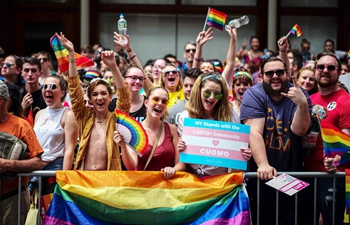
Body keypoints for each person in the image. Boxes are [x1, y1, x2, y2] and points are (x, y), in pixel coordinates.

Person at [240, 37, 312, 225]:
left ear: (287, 74)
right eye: (269, 73)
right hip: (261, 175)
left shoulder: (299, 92)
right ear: (261, 76)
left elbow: (300, 130)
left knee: (292, 219)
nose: (275, 76)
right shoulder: (253, 93)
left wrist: (302, 104)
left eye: (280, 72)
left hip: (292, 174)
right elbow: (253, 131)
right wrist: (263, 164)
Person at [55, 32, 130, 171]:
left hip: (108, 181)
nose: (99, 97)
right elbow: (74, 89)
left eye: (103, 94)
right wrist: (71, 54)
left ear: (110, 97)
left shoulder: (116, 120)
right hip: (85, 179)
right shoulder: (84, 117)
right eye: (95, 94)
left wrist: (113, 67)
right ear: (90, 99)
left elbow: (125, 97)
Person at [303, 51, 350, 225]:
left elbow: (347, 142)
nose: (325, 70)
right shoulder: (310, 99)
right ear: (315, 70)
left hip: (332, 177)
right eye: (321, 67)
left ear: (338, 72)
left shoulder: (346, 101)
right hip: (306, 174)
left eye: (331, 67)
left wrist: (336, 161)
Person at [176, 72, 251, 177]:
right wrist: (180, 147)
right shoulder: (185, 117)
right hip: (192, 180)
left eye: (217, 94)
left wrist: (244, 154)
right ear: (198, 92)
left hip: (220, 181)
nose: (211, 97)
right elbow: (182, 155)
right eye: (207, 93)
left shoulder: (230, 115)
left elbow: (236, 151)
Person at [114, 86, 186, 179]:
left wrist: (173, 169)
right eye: (156, 99)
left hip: (166, 188)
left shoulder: (172, 129)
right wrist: (123, 147)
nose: (160, 104)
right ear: (146, 102)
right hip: (142, 187)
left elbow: (181, 163)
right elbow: (131, 166)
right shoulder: (134, 130)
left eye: (164, 101)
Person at [0, 80, 43, 225]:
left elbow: (38, 162)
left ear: (0, 101)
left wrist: (9, 164)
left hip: (11, 198)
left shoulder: (21, 125)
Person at [32, 74, 78, 194]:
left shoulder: (68, 115)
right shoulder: (39, 114)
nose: (47, 89)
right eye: (44, 86)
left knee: (51, 210)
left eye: (52, 86)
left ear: (62, 93)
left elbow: (69, 150)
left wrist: (63, 177)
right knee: (35, 211)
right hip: (36, 169)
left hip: (54, 170)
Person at [21, 57, 47, 122]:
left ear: (40, 73)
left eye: (33, 71)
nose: (30, 74)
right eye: (26, 71)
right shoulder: (16, 94)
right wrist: (22, 108)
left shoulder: (47, 94)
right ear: (21, 73)